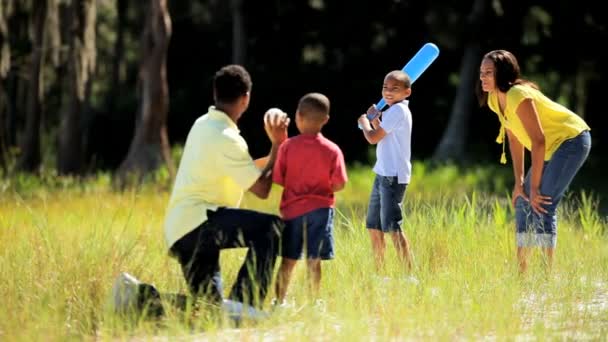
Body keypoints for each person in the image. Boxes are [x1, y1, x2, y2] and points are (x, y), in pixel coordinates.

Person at [163, 64, 289, 309]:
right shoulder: (227, 137)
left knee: (211, 310)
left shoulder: (203, 125)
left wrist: (277, 153)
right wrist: (277, 144)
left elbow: (246, 168)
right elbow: (262, 189)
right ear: (246, 99)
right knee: (271, 228)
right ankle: (246, 305)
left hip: (182, 230)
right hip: (201, 224)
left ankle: (145, 299)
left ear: (214, 93)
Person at [477, 50, 591, 273]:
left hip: (571, 140)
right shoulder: (493, 99)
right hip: (550, 148)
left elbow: (538, 140)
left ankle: (545, 276)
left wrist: (536, 186)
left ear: (503, 73)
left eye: (488, 73)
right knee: (523, 201)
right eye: (481, 73)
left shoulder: (517, 94)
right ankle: (523, 273)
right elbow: (515, 137)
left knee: (542, 203)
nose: (483, 77)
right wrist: (520, 183)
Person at [272, 93, 348, 305]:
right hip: (321, 211)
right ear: (326, 120)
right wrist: (324, 188)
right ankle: (314, 303)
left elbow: (279, 179)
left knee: (288, 259)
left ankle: (279, 302)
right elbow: (340, 183)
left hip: (292, 212)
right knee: (314, 259)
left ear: (298, 116)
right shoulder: (332, 150)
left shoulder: (287, 147)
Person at [357, 70, 415, 272]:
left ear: (407, 92)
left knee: (392, 226)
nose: (388, 92)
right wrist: (374, 120)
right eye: (385, 87)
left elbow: (372, 138)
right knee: (373, 226)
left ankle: (409, 274)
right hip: (382, 173)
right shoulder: (392, 112)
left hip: (393, 176)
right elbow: (383, 134)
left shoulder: (399, 111)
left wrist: (364, 122)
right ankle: (379, 273)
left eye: (395, 88)